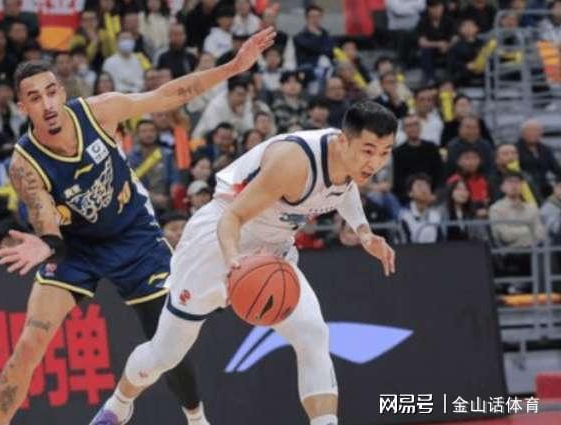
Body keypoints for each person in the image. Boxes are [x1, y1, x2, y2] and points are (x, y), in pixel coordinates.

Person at [0, 27, 276, 425]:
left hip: (133, 235)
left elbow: (168, 95)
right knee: (30, 342)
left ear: (63, 91)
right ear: (22, 107)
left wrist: (232, 67)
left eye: (52, 91)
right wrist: (47, 244)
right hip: (74, 246)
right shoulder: (25, 165)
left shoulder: (99, 111)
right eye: (35, 98)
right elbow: (47, 222)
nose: (48, 103)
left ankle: (196, 419)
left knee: (167, 343)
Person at [92, 100, 397, 425]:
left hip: (273, 250)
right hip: (219, 240)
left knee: (312, 333)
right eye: (368, 151)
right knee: (165, 354)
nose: (375, 162)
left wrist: (364, 232)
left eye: (385, 152)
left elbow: (342, 189)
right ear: (343, 140)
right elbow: (232, 218)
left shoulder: (349, 162)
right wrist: (233, 261)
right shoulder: (294, 161)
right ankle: (118, 405)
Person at [392, 114, 443, 202]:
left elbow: (440, 175)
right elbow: (397, 181)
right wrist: (414, 195)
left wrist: (434, 194)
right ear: (403, 129)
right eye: (409, 125)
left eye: (415, 124)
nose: (413, 128)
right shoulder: (397, 153)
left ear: (420, 126)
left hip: (432, 195)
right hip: (408, 198)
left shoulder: (432, 148)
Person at [516, 119, 561, 198]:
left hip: (544, 188)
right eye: (530, 130)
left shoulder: (546, 149)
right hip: (523, 189)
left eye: (537, 131)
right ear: (523, 133)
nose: (534, 133)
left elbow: (557, 169)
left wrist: (558, 185)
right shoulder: (515, 149)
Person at [399, 173, 442, 243]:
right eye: (419, 186)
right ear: (410, 193)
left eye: (427, 185)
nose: (424, 189)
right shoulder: (404, 216)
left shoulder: (436, 215)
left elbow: (441, 242)